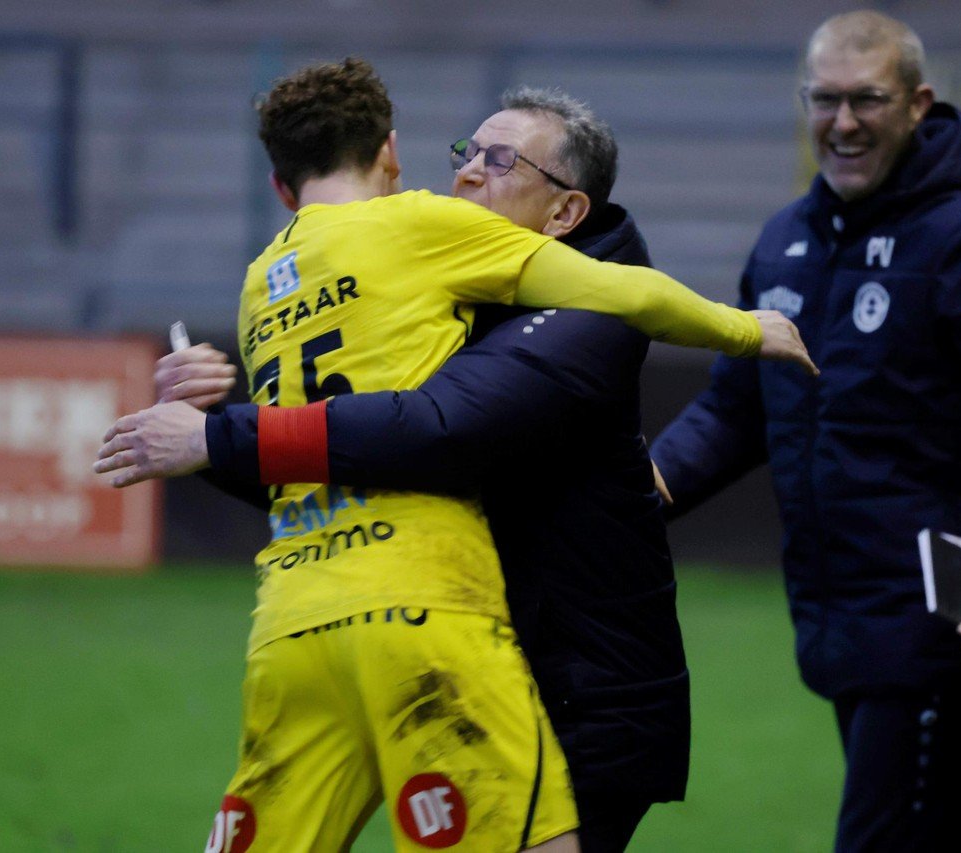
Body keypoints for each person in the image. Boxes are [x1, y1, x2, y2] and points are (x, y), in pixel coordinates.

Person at [98, 59, 813, 852]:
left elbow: (437, 429)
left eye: (501, 159)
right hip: (436, 634)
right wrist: (202, 429)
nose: (469, 171)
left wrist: (217, 436)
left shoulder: (589, 310)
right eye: (466, 152)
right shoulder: (431, 291)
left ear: (565, 210)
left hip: (578, 687)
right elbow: (330, 468)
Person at [650, 11, 961, 851]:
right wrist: (637, 493)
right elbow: (734, 407)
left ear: (916, 103)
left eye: (866, 99)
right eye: (824, 101)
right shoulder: (785, 241)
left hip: (952, 633)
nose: (844, 122)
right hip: (843, 627)